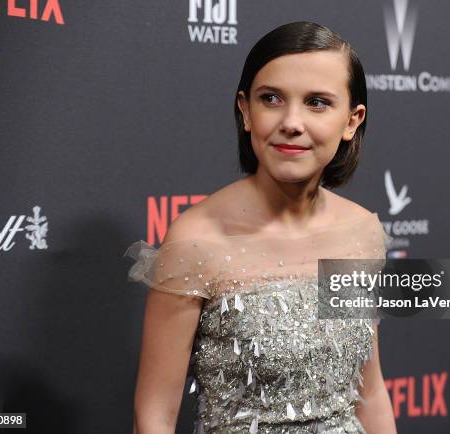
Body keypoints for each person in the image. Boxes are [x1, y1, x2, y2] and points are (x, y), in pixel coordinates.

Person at [125, 21, 397, 434]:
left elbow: (371, 393)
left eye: (317, 102)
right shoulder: (197, 240)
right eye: (271, 98)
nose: (291, 121)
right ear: (245, 111)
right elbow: (156, 414)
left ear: (351, 120)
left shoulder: (360, 231)